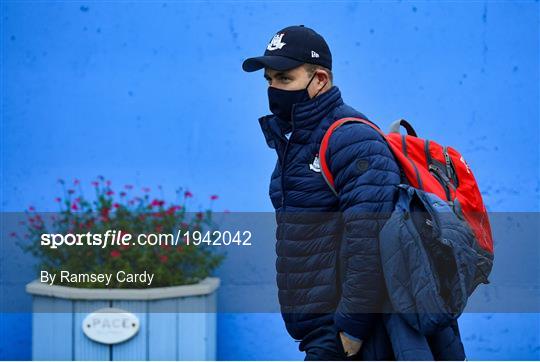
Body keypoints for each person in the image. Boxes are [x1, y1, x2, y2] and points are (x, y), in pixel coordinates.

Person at [242, 25, 466, 361]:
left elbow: (370, 237)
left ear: (319, 80)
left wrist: (353, 326)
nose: (273, 88)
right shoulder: (298, 144)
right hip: (321, 329)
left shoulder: (350, 140)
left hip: (363, 331)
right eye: (269, 79)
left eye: (284, 78)